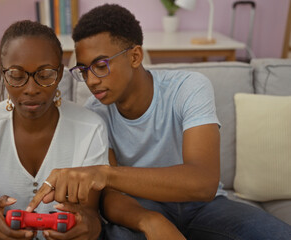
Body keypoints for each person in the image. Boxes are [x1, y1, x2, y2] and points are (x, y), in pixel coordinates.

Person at [29, 4, 291, 240]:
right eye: (84, 70)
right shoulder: (95, 113)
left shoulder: (188, 88)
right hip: (139, 207)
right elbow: (110, 197)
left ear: (135, 57)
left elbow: (204, 182)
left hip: (205, 207)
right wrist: (149, 220)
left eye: (100, 65)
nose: (92, 80)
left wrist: (106, 174)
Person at [0, 20, 108, 240]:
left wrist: (85, 224)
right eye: (17, 76)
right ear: (3, 74)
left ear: (59, 74)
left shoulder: (90, 127)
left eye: (45, 75)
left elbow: (89, 211)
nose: (31, 89)